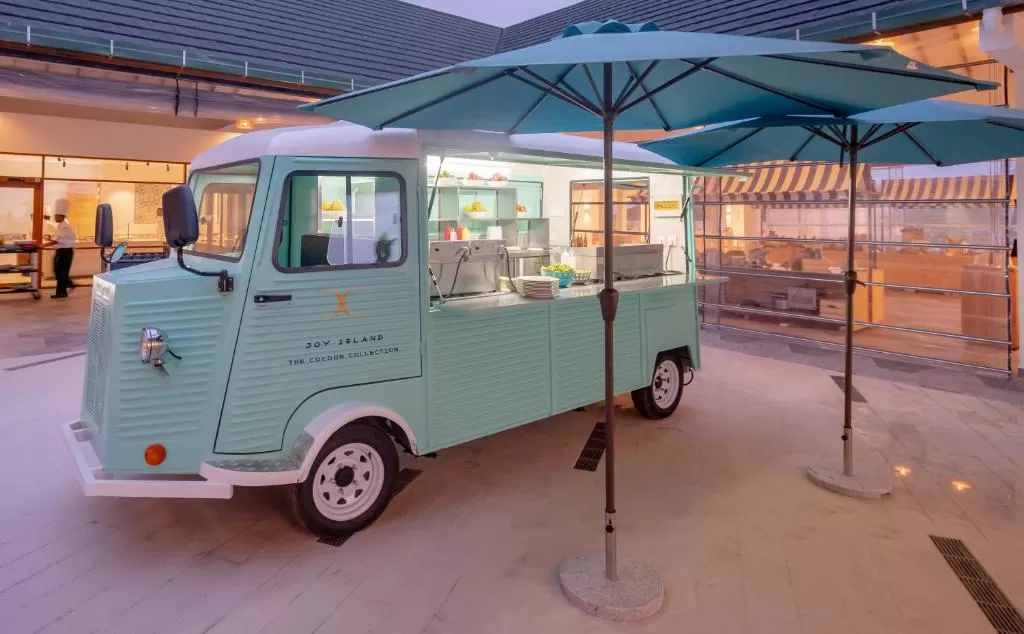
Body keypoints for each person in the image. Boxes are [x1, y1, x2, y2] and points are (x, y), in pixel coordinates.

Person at [43, 199, 76, 299]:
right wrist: (49, 239)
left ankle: (62, 291)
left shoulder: (65, 226)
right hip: (61, 251)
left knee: (61, 273)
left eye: (56, 215)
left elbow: (56, 240)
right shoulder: (61, 225)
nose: (54, 217)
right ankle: (67, 286)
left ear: (62, 216)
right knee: (58, 272)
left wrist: (42, 246)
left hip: (65, 252)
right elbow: (57, 238)